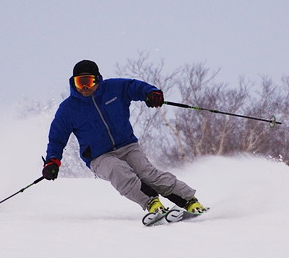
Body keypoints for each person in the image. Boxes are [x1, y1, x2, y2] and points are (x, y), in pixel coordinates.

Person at [42, 59, 206, 218]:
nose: (84, 87)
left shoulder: (114, 88)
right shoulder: (68, 109)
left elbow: (135, 87)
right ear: (73, 83)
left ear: (97, 79)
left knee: (148, 173)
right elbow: (57, 137)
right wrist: (52, 161)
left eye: (89, 81)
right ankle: (152, 204)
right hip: (99, 156)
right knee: (117, 170)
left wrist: (151, 93)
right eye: (80, 82)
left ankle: (190, 201)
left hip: (128, 146)